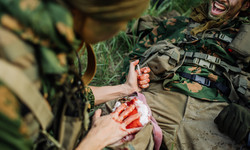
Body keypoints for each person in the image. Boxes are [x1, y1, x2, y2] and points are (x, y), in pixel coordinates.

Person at [0, 0, 151, 149]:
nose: (123, 28)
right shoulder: (9, 81)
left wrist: (126, 88)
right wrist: (96, 140)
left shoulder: (40, 33)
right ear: (91, 12)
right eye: (121, 20)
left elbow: (53, 96)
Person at [119, 0, 250, 149]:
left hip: (215, 113)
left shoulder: (246, 39)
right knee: (112, 131)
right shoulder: (177, 25)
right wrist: (132, 83)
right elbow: (135, 57)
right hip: (160, 95)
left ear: (245, 5)